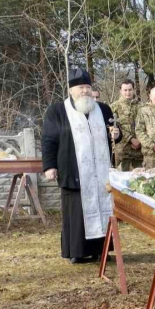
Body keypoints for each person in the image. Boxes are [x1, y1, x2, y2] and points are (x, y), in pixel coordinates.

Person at [42, 68, 121, 263]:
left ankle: (101, 252)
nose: (84, 91)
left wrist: (118, 135)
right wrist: (49, 166)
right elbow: (48, 140)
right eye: (80, 88)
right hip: (73, 170)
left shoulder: (103, 109)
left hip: (100, 172)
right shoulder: (58, 111)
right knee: (76, 214)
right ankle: (76, 252)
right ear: (71, 90)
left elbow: (115, 136)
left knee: (103, 210)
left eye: (87, 87)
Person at [110, 80, 143, 171]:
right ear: (120, 91)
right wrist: (131, 139)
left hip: (139, 150)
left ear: (133, 90)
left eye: (130, 89)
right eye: (125, 90)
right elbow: (114, 127)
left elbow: (146, 125)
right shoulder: (114, 107)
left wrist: (139, 140)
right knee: (122, 178)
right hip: (122, 150)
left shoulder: (141, 106)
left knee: (140, 178)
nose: (128, 92)